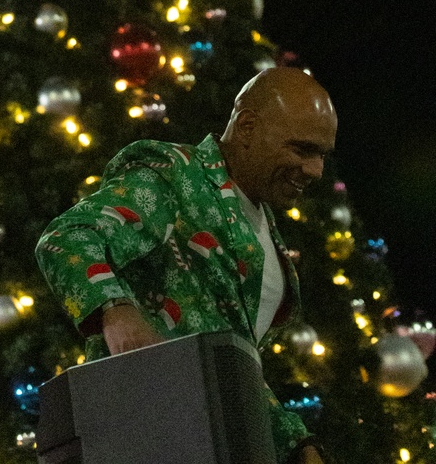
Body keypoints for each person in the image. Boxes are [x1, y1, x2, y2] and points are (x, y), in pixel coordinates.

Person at [36, 67, 337, 464]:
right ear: (247, 127)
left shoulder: (260, 216)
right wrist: (116, 312)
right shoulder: (175, 175)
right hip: (140, 436)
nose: (316, 170)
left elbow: (230, 363)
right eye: (302, 150)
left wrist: (297, 443)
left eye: (321, 155)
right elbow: (66, 237)